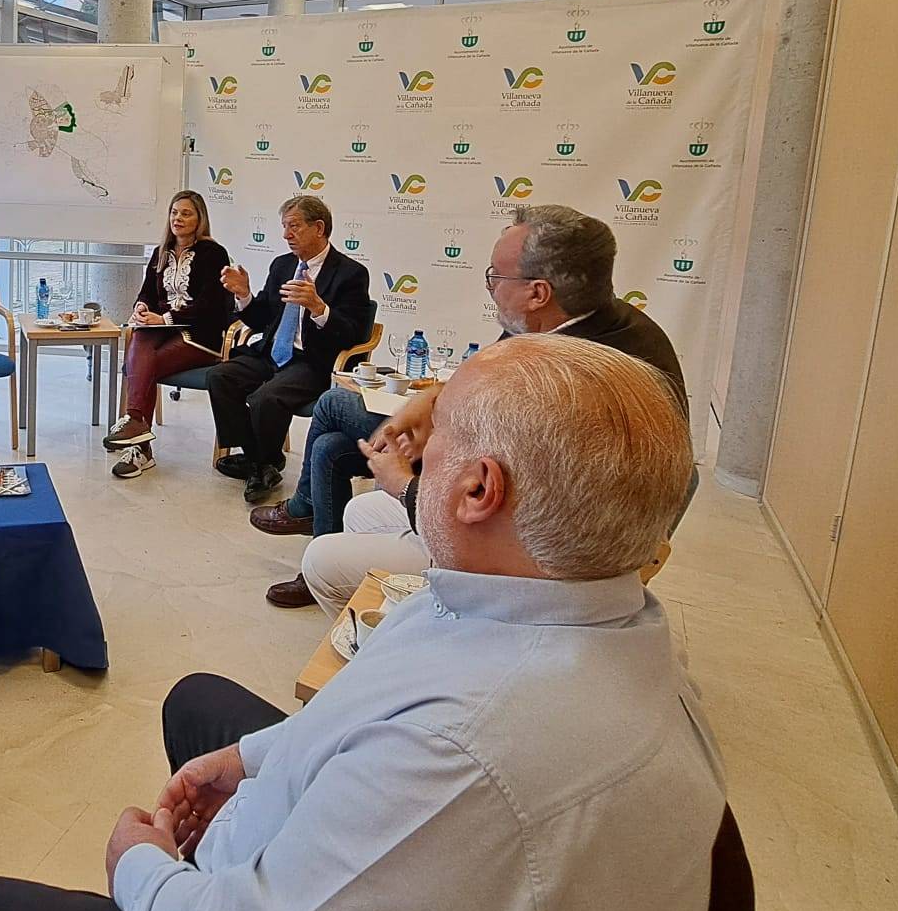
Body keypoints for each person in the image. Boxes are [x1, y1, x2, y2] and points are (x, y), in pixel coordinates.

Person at [0, 335, 733, 911]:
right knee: (199, 705)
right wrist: (250, 762)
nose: (409, 445)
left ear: (481, 488)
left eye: (432, 436)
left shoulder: (458, 764)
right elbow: (378, 702)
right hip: (351, 848)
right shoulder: (564, 608)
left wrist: (138, 867)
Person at [289, 203, 690, 611]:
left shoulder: (574, 379)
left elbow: (504, 510)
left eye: (495, 277)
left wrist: (406, 486)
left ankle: (416, 645)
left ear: (538, 292)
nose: (490, 287)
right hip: (516, 522)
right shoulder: (563, 323)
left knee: (323, 551)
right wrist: (429, 401)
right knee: (348, 484)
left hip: (537, 568)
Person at [204, 194, 373, 506]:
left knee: (265, 398)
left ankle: (258, 464)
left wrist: (319, 307)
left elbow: (353, 333)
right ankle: (261, 462)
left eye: (294, 226)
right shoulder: (282, 265)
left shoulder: (351, 273)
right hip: (271, 352)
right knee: (220, 377)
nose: (286, 235)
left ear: (319, 227)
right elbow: (262, 317)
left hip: (313, 361)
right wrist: (243, 295)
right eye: (284, 227)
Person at [102, 191, 234, 481]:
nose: (178, 219)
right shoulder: (161, 250)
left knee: (141, 365)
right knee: (140, 338)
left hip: (202, 336)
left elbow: (211, 306)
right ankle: (137, 429)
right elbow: (147, 291)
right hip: (162, 331)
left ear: (200, 218)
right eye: (174, 212)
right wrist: (141, 308)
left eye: (186, 213)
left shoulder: (214, 253)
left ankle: (138, 441)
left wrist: (165, 318)